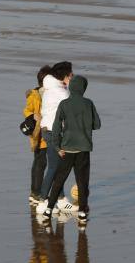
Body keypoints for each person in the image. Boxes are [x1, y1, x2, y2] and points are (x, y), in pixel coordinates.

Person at [43, 75, 101, 223]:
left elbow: (56, 127)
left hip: (67, 149)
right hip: (83, 149)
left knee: (59, 179)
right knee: (82, 181)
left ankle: (49, 209)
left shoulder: (64, 103)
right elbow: (97, 125)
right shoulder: (88, 103)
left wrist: (57, 146)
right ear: (83, 88)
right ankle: (82, 211)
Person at [36, 61, 76, 213]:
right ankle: (42, 201)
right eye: (71, 74)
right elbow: (73, 107)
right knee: (55, 167)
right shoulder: (60, 92)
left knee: (58, 167)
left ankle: (60, 200)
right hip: (54, 133)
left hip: (49, 131)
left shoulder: (53, 88)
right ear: (65, 76)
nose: (72, 77)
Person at [24, 65, 51, 204]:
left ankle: (36, 192)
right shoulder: (35, 95)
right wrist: (33, 116)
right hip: (38, 134)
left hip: (44, 134)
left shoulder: (44, 93)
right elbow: (27, 111)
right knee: (40, 163)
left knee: (40, 163)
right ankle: (36, 193)